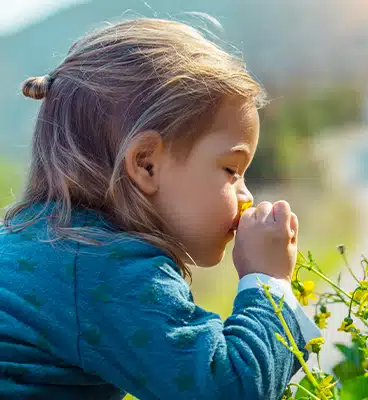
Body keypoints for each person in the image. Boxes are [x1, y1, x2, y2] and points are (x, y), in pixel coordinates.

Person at [0, 16, 321, 400]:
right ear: (146, 164)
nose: (245, 195)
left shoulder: (32, 246)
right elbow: (227, 389)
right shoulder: (105, 267)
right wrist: (269, 283)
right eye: (231, 170)